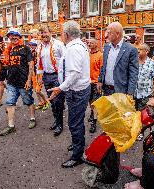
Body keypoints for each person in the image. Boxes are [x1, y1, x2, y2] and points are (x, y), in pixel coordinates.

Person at [48, 20, 91, 168]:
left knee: (74, 123)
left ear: (66, 34)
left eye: (61, 33)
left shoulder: (73, 48)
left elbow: (74, 74)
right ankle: (77, 144)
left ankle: (77, 155)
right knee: (77, 121)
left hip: (77, 92)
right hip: (79, 90)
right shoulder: (79, 46)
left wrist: (60, 88)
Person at [0, 28, 36, 136]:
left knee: (28, 101)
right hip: (11, 82)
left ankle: (32, 118)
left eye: (16, 35)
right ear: (9, 37)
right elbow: (7, 65)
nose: (13, 37)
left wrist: (29, 80)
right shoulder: (8, 50)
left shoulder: (26, 48)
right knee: (10, 103)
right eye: (11, 35)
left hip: (24, 82)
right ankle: (11, 126)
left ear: (20, 37)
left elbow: (31, 65)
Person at [37, 25, 66, 136]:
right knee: (51, 101)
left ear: (50, 32)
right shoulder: (39, 46)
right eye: (42, 33)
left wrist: (64, 78)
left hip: (57, 76)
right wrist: (40, 78)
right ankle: (56, 120)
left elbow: (65, 59)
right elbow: (39, 63)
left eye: (45, 32)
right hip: (46, 76)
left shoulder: (58, 44)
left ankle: (60, 125)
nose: (44, 35)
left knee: (58, 101)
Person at [98, 22, 139, 96]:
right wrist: (100, 80)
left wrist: (130, 93)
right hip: (106, 90)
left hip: (121, 91)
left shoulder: (131, 49)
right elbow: (103, 66)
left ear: (117, 34)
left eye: (109, 33)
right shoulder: (107, 47)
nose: (106, 36)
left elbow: (133, 73)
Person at [28, 39, 49, 111]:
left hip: (39, 73)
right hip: (34, 73)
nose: (31, 46)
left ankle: (46, 102)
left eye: (33, 45)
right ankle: (41, 102)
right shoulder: (31, 52)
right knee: (35, 90)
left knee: (38, 90)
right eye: (30, 45)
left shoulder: (38, 52)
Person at [87, 38, 103, 133]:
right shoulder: (87, 54)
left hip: (96, 83)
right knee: (90, 101)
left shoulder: (100, 55)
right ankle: (92, 114)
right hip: (87, 83)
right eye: (89, 43)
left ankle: (94, 122)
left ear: (96, 44)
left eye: (91, 43)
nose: (89, 44)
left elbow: (102, 70)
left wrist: (100, 82)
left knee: (95, 103)